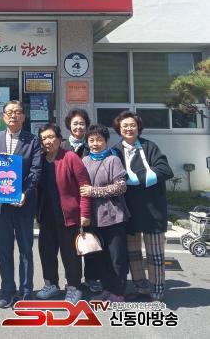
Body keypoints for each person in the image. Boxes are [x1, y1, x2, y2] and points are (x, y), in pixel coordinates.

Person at [111, 111, 174, 301]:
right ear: (119, 129)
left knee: (155, 254)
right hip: (129, 209)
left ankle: (157, 290)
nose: (129, 129)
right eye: (125, 126)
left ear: (138, 127)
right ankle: (141, 287)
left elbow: (165, 170)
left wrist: (136, 178)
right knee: (133, 253)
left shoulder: (149, 147)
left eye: (132, 125)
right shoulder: (115, 150)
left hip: (153, 208)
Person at [0, 100, 41, 308]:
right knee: (4, 250)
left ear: (24, 117)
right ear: (3, 116)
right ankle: (7, 291)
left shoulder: (33, 140)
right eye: (9, 112)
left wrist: (24, 193)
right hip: (1, 207)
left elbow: (36, 171)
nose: (13, 116)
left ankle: (26, 291)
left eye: (17, 112)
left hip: (23, 204)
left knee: (26, 250)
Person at [36, 123, 91, 303]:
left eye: (51, 137)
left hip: (68, 216)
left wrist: (85, 213)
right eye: (44, 138)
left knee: (70, 254)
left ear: (60, 139)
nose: (48, 141)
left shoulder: (70, 157)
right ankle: (51, 284)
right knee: (46, 251)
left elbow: (84, 186)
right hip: (46, 215)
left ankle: (74, 286)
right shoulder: (40, 159)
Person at [80, 124, 130, 302]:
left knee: (117, 257)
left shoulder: (113, 160)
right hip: (94, 218)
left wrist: (94, 191)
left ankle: (118, 292)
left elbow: (121, 186)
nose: (95, 144)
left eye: (99, 140)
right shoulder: (85, 160)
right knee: (101, 257)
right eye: (91, 140)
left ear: (106, 141)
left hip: (113, 216)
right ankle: (107, 289)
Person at [61, 108, 100, 292]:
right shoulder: (61, 146)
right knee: (70, 245)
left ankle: (92, 277)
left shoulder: (91, 146)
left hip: (88, 200)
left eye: (82, 124)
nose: (78, 127)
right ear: (69, 125)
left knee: (89, 240)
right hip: (67, 202)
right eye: (75, 123)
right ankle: (72, 279)